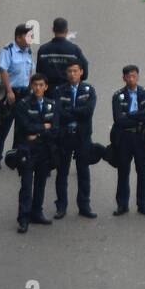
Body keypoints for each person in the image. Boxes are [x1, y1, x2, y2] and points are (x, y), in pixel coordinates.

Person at [14, 73, 58, 234]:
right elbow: (25, 127)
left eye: (41, 85)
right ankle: (23, 218)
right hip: (27, 150)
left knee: (41, 183)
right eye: (35, 85)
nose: (38, 88)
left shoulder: (52, 104)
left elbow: (54, 129)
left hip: (44, 150)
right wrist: (43, 128)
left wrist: (38, 132)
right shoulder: (23, 104)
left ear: (46, 87)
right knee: (26, 185)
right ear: (31, 87)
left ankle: (36, 213)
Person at [53, 61, 97, 220]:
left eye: (75, 71)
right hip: (65, 136)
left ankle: (84, 206)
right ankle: (61, 206)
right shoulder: (59, 90)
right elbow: (58, 112)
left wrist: (70, 111)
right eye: (69, 71)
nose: (72, 74)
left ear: (81, 72)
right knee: (62, 172)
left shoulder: (88, 90)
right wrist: (75, 113)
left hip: (82, 136)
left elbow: (88, 112)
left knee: (83, 172)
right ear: (66, 73)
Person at [0, 23, 35, 168]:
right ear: (18, 37)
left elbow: (29, 71)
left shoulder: (28, 50)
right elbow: (3, 71)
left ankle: (15, 157)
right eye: (28, 36)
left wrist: (31, 88)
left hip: (24, 93)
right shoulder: (8, 50)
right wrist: (9, 91)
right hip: (11, 93)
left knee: (21, 127)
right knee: (5, 125)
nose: (30, 39)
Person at [112, 65, 145, 216]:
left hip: (141, 137)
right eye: (128, 76)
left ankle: (142, 205)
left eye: (134, 76)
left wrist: (130, 115)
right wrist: (137, 116)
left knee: (142, 172)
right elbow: (119, 120)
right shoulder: (118, 96)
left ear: (138, 76)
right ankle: (122, 204)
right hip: (124, 137)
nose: (131, 79)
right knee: (123, 172)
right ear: (123, 78)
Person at [36, 16, 88, 96]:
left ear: (53, 30)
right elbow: (84, 71)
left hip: (48, 92)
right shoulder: (74, 50)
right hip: (68, 91)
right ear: (66, 31)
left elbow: (39, 73)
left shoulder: (43, 50)